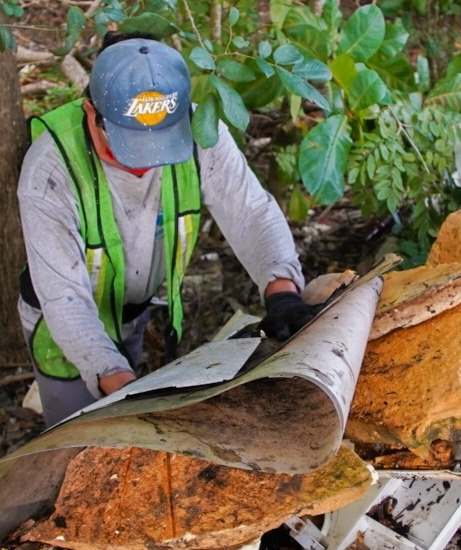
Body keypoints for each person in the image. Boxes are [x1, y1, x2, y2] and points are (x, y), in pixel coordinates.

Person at [17, 35, 319, 426]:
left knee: (129, 425)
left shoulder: (200, 132)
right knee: (78, 438)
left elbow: (250, 211)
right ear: (93, 114)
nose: (146, 165)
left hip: (133, 310)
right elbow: (64, 299)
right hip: (63, 326)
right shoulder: (49, 172)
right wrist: (122, 385)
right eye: (131, 145)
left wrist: (282, 292)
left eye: (160, 143)